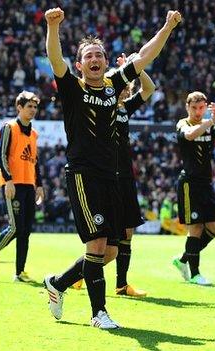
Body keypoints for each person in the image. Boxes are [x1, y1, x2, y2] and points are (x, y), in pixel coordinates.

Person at [42, 7, 181, 329]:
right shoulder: (73, 87)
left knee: (111, 252)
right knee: (97, 245)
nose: (95, 59)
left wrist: (167, 27)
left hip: (111, 176)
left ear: (105, 62)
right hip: (83, 173)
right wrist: (53, 27)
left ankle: (58, 283)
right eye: (89, 56)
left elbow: (145, 57)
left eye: (99, 55)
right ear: (80, 65)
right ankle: (98, 313)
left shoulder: (112, 86)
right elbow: (54, 58)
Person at [72, 54, 156, 297]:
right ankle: (79, 274)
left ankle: (121, 284)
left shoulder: (125, 108)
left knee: (128, 232)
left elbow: (149, 88)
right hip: (106, 174)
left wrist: (134, 68)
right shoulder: (97, 105)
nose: (124, 89)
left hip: (125, 176)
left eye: (126, 87)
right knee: (106, 240)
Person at [0, 91, 44, 282]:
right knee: (15, 227)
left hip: (28, 185)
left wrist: (39, 185)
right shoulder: (9, 127)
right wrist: (8, 179)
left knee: (26, 230)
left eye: (35, 107)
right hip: (13, 184)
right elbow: (0, 155)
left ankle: (19, 273)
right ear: (19, 107)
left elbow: (35, 161)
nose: (33, 110)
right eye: (29, 107)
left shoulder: (34, 133)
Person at [171, 91, 215, 286]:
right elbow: (189, 136)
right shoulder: (183, 123)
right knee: (195, 228)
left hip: (206, 183)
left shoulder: (210, 125)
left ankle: (183, 259)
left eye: (201, 108)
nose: (198, 112)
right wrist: (208, 122)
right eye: (195, 108)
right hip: (190, 183)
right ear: (187, 107)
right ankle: (195, 274)